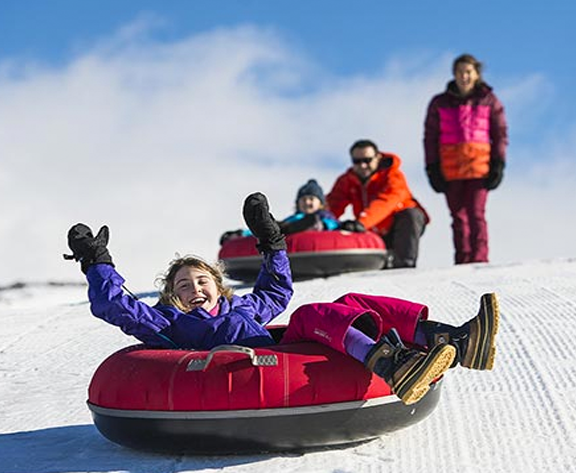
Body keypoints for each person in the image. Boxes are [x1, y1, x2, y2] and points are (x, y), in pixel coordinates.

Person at [66, 192, 498, 406]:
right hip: (241, 372)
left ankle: (455, 340)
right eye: (182, 286)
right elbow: (115, 307)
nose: (193, 290)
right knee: (310, 314)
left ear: (218, 286)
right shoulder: (169, 325)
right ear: (172, 297)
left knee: (343, 302)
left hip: (286, 354)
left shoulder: (245, 307)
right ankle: (390, 364)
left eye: (200, 282)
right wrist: (97, 263)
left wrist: (272, 243)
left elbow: (276, 290)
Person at [424, 53, 508, 264]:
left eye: (468, 72)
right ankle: (462, 259)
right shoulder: (439, 103)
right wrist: (432, 167)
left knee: (476, 214)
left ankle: (479, 259)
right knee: (458, 218)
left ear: (476, 74)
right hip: (450, 168)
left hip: (479, 167)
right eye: (460, 72)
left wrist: (498, 163)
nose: (464, 76)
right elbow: (430, 136)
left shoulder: (488, 100)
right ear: (454, 74)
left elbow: (500, 133)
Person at [325, 139, 429, 268]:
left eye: (367, 160)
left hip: (395, 227)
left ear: (377, 157)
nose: (362, 165)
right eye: (357, 162)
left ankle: (404, 265)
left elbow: (387, 201)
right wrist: (319, 222)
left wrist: (362, 223)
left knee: (411, 215)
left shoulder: (393, 175)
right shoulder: (346, 181)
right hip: (371, 230)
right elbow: (333, 204)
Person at [219, 179, 339, 245]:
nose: (307, 202)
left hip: (315, 228)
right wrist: (243, 234)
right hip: (288, 230)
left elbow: (334, 224)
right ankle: (242, 233)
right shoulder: (293, 218)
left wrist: (325, 225)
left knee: (312, 220)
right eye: (303, 199)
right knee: (273, 226)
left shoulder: (324, 215)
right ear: (297, 203)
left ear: (321, 203)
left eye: (311, 199)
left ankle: (311, 226)